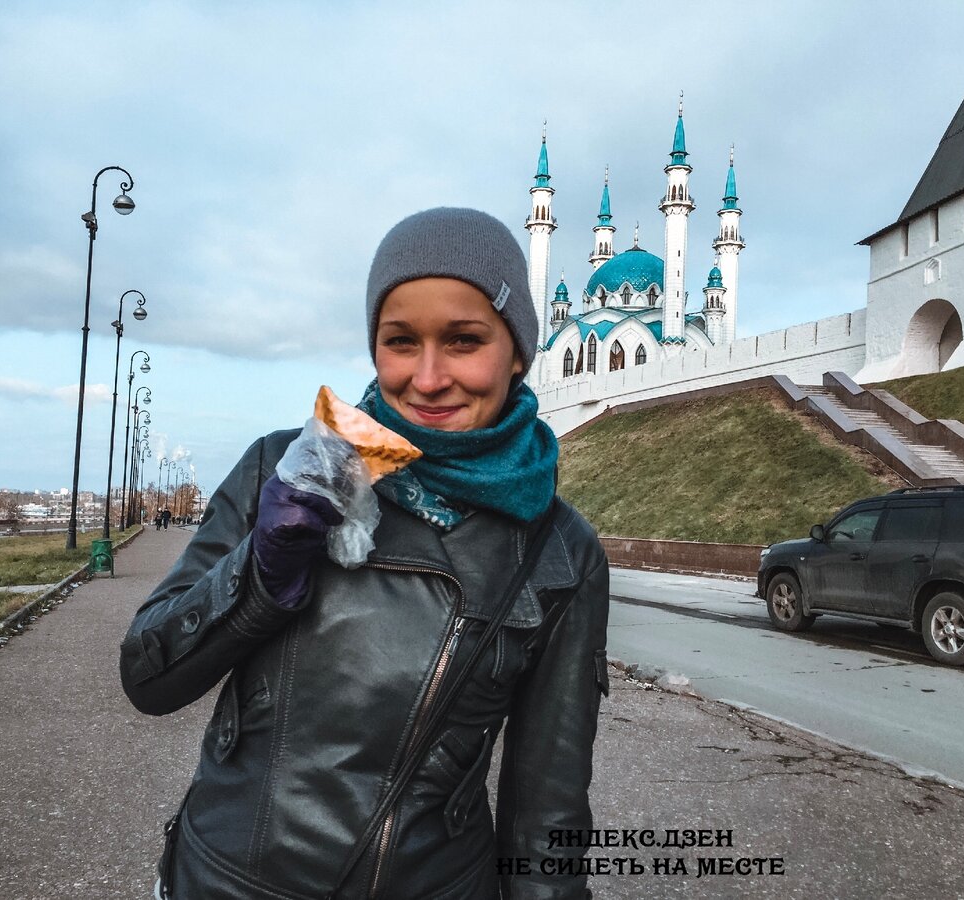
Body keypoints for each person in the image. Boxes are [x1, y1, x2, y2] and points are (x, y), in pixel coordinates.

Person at [120, 207, 610, 899]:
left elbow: (548, 810)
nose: (430, 377)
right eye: (401, 341)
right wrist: (258, 573)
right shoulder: (283, 470)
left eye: (465, 340)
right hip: (227, 882)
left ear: (519, 351)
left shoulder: (562, 549)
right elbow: (148, 680)